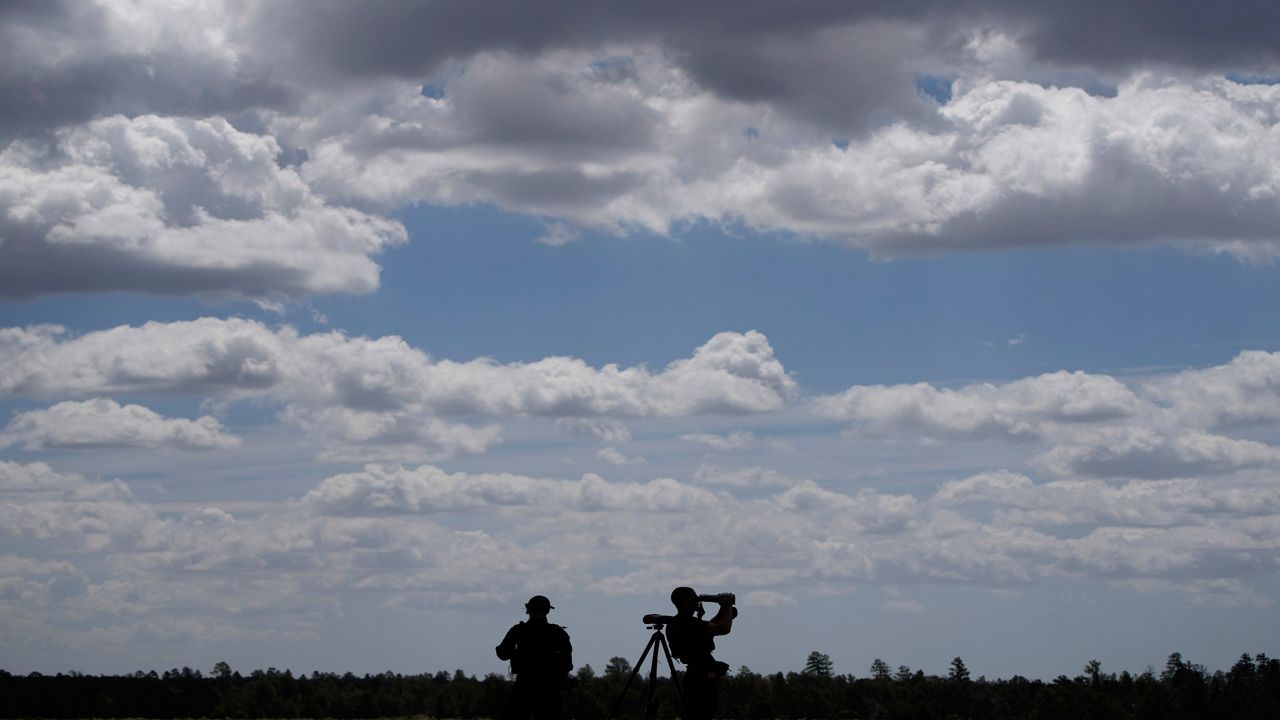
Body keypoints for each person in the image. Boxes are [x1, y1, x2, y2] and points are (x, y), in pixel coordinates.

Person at [496, 595, 573, 720]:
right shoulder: (558, 632)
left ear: (529, 610)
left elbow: (502, 654)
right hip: (550, 688)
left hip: (524, 685)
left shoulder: (518, 630)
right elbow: (567, 663)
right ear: (547, 611)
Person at [664, 587, 735, 720]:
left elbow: (707, 627)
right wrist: (727, 606)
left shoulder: (677, 622)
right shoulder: (687, 622)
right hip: (701, 677)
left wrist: (723, 610)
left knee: (694, 712)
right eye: (693, 597)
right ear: (684, 601)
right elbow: (723, 628)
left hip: (694, 674)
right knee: (703, 712)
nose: (697, 600)